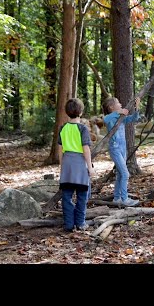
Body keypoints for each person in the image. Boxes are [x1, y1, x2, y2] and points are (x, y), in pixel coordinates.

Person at [58, 98, 96, 232]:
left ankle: (68, 224)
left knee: (66, 196)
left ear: (67, 112)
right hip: (80, 164)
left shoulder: (63, 128)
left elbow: (60, 150)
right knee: (82, 195)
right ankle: (80, 223)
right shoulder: (82, 128)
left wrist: (62, 167)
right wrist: (90, 167)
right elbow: (86, 149)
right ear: (81, 112)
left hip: (67, 164)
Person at [103, 96, 141, 207]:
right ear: (111, 107)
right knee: (125, 173)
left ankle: (117, 198)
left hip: (123, 148)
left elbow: (134, 119)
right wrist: (119, 112)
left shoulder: (122, 117)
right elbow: (105, 119)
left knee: (120, 174)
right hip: (115, 148)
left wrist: (136, 107)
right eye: (118, 103)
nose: (120, 104)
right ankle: (125, 199)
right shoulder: (111, 118)